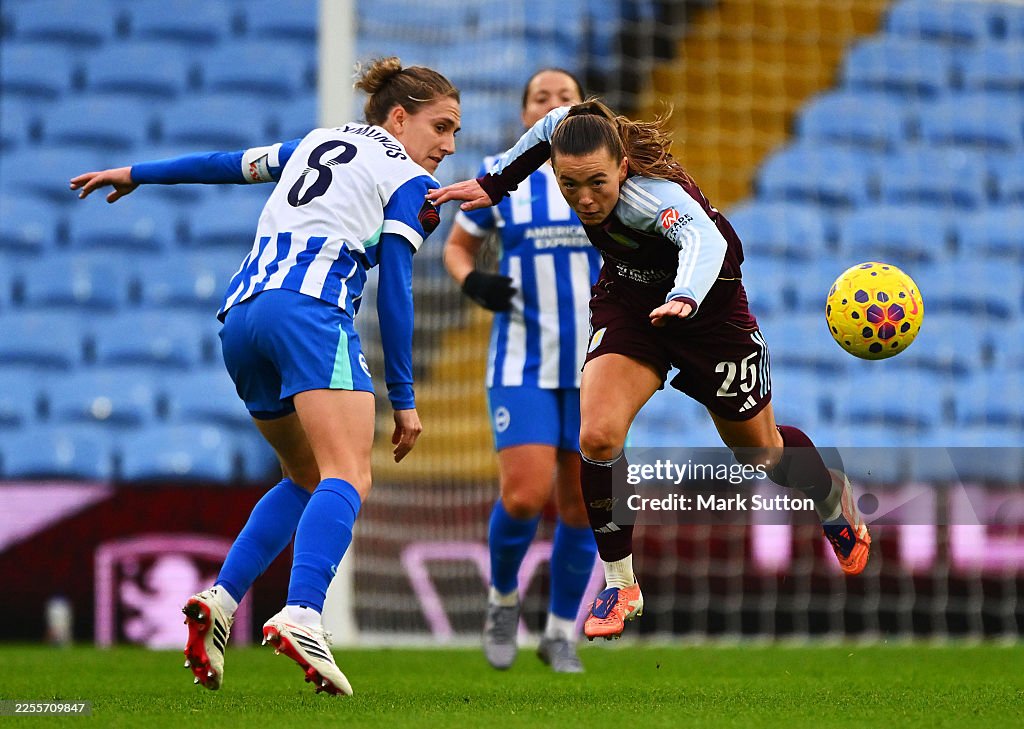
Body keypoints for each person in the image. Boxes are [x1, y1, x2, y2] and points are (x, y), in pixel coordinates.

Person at [71, 57, 460, 693]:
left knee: (305, 474)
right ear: (399, 117)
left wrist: (136, 173)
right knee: (349, 471)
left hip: (242, 318)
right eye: (440, 127)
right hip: (310, 313)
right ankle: (304, 611)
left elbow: (227, 163)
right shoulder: (406, 178)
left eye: (455, 134)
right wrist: (405, 396)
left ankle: (222, 603)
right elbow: (396, 287)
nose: (447, 145)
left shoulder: (313, 142)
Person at [428, 99, 871, 641]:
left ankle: (831, 494)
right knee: (598, 433)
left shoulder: (651, 197)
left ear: (622, 167)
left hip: (709, 311)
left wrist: (684, 295)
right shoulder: (567, 135)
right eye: (569, 185)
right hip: (632, 301)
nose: (585, 199)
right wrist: (496, 183)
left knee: (763, 454)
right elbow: (546, 130)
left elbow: (704, 239)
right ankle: (620, 582)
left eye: (597, 182)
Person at [443, 69, 600, 673]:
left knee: (584, 505)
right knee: (525, 494)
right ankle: (502, 598)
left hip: (595, 367)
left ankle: (561, 632)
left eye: (565, 98)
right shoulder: (502, 177)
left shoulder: (609, 179)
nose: (553, 106)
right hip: (522, 361)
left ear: (583, 111)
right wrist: (473, 280)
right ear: (525, 115)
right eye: (542, 98)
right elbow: (458, 248)